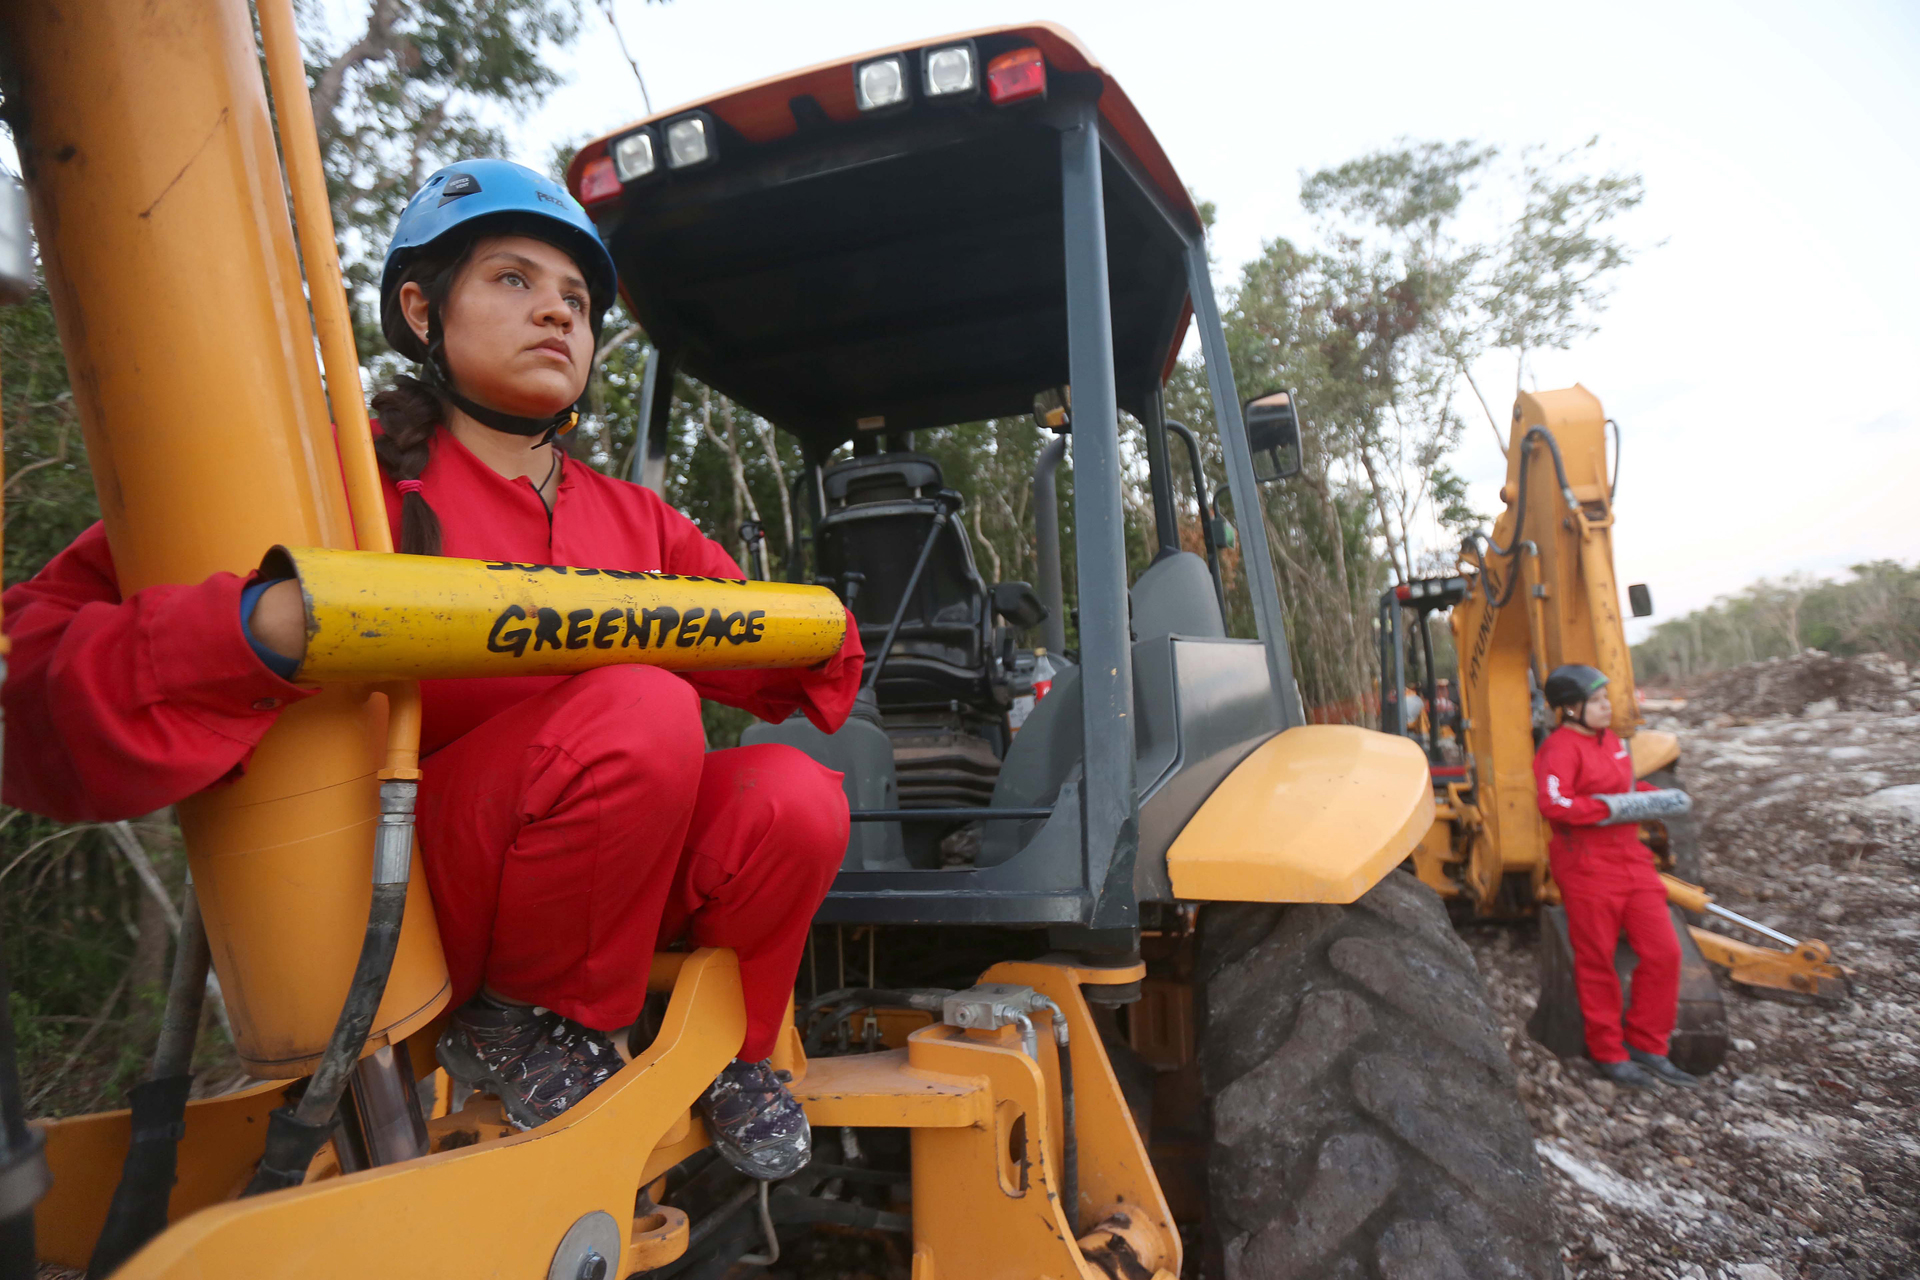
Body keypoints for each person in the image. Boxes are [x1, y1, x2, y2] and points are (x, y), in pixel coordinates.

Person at [1, 160, 865, 1178]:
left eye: (577, 300)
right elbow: (36, 665)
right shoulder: (332, 478)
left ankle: (733, 1055)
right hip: (416, 882)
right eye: (512, 278)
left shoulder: (637, 522)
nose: (555, 310)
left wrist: (819, 625)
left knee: (795, 795)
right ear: (421, 308)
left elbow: (807, 675)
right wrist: (264, 623)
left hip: (609, 869)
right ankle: (522, 1026)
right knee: (641, 703)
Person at [1533, 664, 1698, 1090]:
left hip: (1633, 862)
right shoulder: (1558, 749)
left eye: (1608, 698)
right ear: (1571, 709)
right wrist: (1606, 809)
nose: (1609, 707)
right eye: (1599, 701)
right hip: (1587, 866)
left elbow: (1624, 788)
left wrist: (1655, 798)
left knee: (1665, 953)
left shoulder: (1614, 743)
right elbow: (1555, 805)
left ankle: (1647, 1044)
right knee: (1597, 962)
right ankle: (1608, 1052)